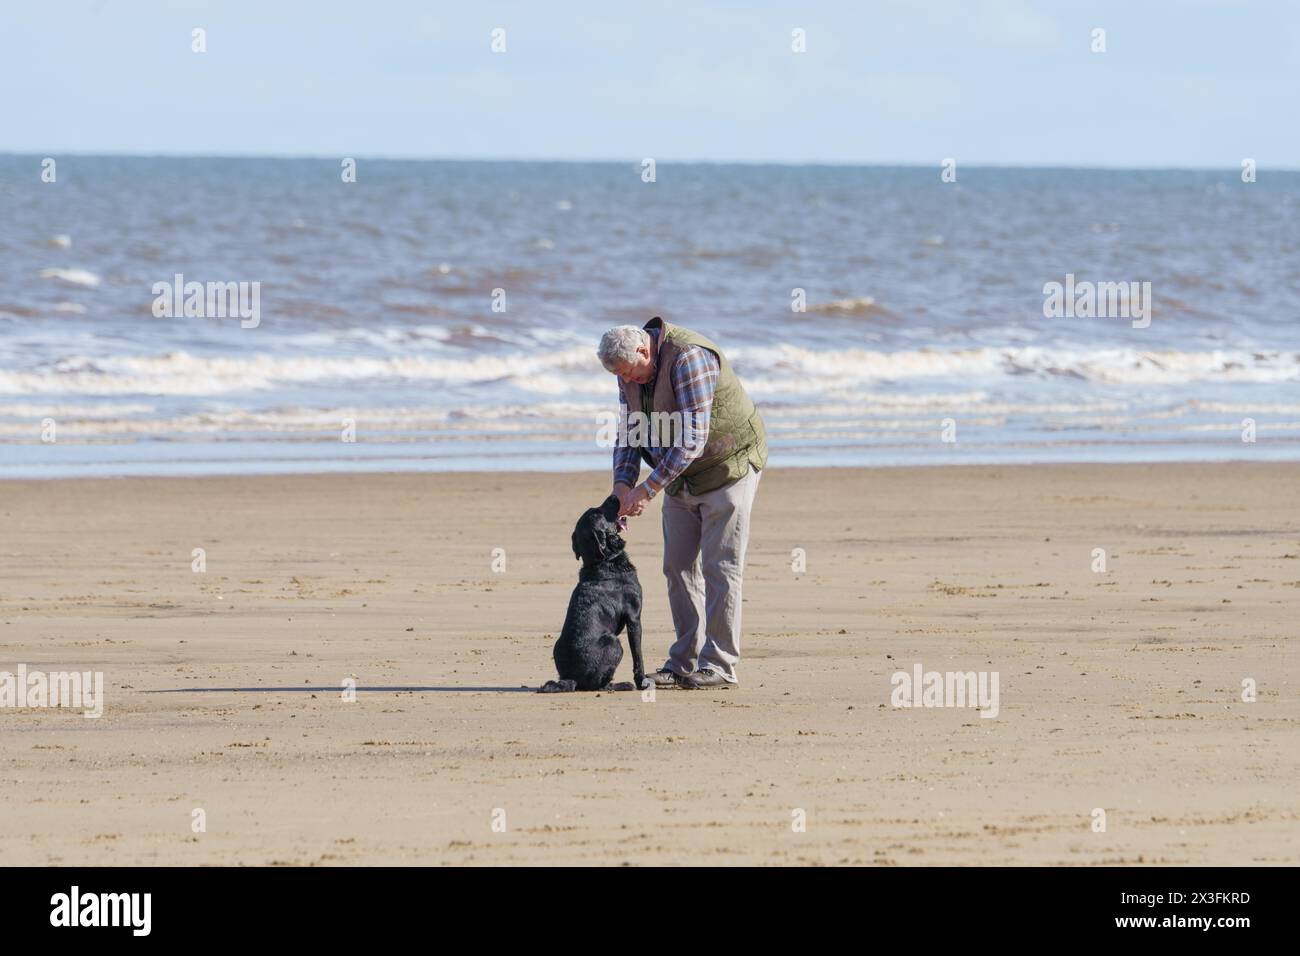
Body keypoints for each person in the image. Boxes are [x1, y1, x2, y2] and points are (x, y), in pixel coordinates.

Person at [597, 317, 767, 689]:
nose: (629, 381)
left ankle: (720, 665)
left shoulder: (689, 357)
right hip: (677, 474)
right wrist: (622, 486)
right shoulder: (628, 371)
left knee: (720, 566)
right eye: (622, 376)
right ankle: (682, 663)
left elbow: (692, 438)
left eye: (632, 373)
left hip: (728, 465)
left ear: (645, 350)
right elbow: (630, 431)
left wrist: (648, 489)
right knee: (677, 566)